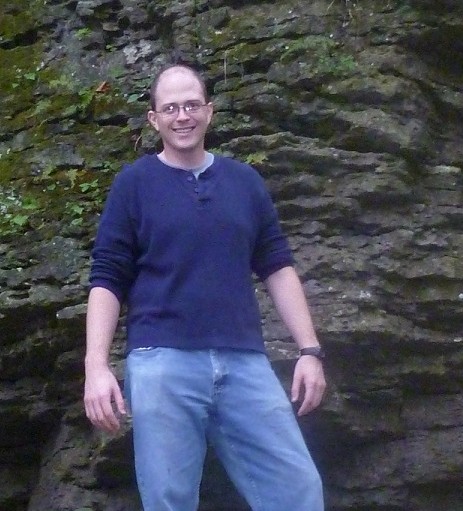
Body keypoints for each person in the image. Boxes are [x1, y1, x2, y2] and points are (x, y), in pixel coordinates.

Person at [84, 63, 326, 511]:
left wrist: (309, 351)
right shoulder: (133, 184)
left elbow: (277, 266)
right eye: (171, 108)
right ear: (154, 119)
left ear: (209, 112)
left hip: (244, 362)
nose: (183, 116)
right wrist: (95, 367)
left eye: (192, 105)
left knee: (298, 490)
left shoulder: (244, 181)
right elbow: (107, 278)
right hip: (161, 363)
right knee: (169, 500)